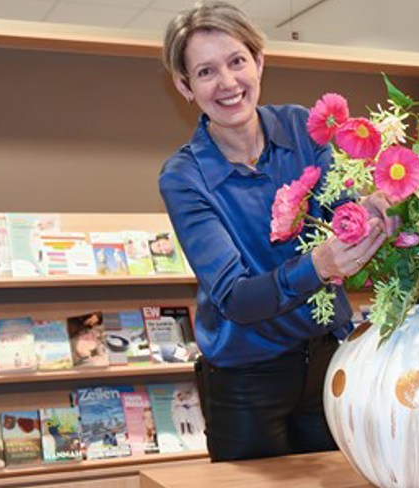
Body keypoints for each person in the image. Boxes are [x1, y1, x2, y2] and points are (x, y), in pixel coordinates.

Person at [159, 1, 395, 462]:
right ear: (185, 86)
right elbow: (235, 298)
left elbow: (342, 214)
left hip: (330, 361)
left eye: (237, 61)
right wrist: (320, 265)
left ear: (259, 61)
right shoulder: (184, 177)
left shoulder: (302, 129)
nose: (227, 82)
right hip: (247, 383)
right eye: (206, 72)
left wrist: (374, 209)